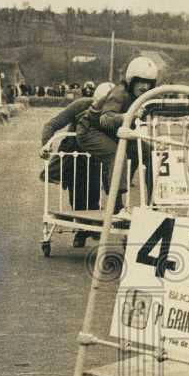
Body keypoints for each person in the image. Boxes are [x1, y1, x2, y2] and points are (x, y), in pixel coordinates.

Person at [75, 56, 158, 208]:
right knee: (116, 154)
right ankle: (116, 206)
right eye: (141, 81)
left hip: (113, 132)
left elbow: (160, 107)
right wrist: (127, 116)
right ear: (131, 80)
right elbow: (105, 119)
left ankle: (154, 202)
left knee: (149, 152)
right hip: (90, 130)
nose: (145, 86)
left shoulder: (142, 97)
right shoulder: (120, 92)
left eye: (148, 83)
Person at [40, 82, 113, 247]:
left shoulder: (116, 111)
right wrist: (46, 145)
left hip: (98, 156)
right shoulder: (80, 105)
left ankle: (94, 225)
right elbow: (51, 124)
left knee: (95, 190)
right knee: (78, 192)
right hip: (75, 155)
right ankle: (81, 231)